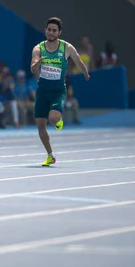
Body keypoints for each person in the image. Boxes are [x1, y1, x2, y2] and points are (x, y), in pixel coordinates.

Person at [30, 17, 90, 167]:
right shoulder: (38, 48)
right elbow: (32, 68)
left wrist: (85, 73)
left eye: (54, 30)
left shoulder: (66, 47)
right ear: (45, 30)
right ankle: (50, 155)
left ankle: (59, 120)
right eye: (49, 30)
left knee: (53, 118)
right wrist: (38, 63)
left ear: (59, 32)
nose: (51, 33)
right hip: (42, 91)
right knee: (40, 125)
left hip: (58, 91)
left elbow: (78, 61)